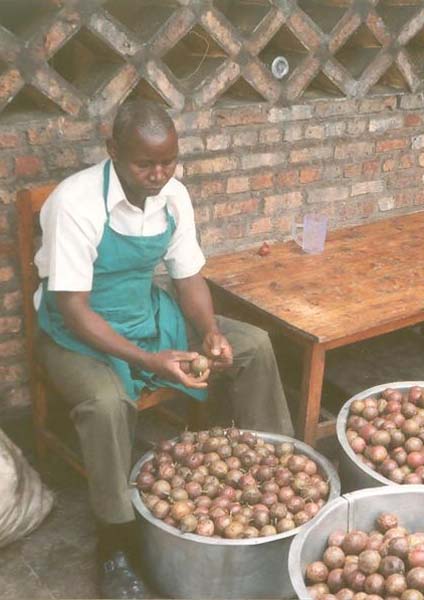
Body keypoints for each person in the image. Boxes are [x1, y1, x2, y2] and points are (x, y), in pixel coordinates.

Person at [35, 99, 294, 599]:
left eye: (168, 162)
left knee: (252, 345)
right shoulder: (76, 204)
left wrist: (207, 330)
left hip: (146, 316)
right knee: (107, 404)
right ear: (113, 151)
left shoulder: (174, 196)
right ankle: (116, 542)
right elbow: (73, 310)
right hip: (79, 335)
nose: (158, 175)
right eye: (145, 163)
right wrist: (147, 361)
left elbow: (188, 275)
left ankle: (272, 473)